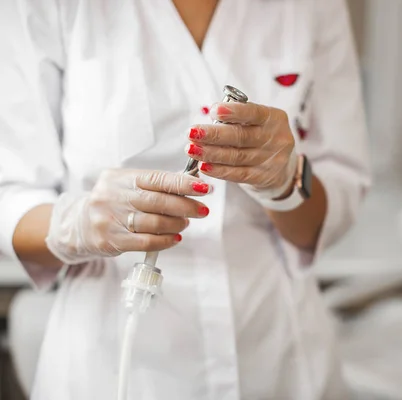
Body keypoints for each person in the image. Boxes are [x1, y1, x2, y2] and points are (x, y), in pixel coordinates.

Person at [0, 0, 370, 398]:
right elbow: (9, 195)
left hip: (277, 354)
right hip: (110, 364)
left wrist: (285, 182)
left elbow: (337, 194)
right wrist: (78, 224)